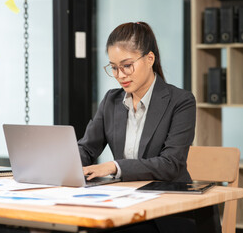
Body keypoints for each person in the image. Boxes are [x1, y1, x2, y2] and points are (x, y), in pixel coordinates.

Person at [77, 22, 220, 233]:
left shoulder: (181, 101)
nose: (120, 75)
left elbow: (170, 164)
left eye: (127, 65)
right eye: (114, 67)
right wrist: (64, 164)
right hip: (127, 204)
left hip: (171, 211)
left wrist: (114, 167)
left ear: (149, 59)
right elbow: (87, 149)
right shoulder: (111, 100)